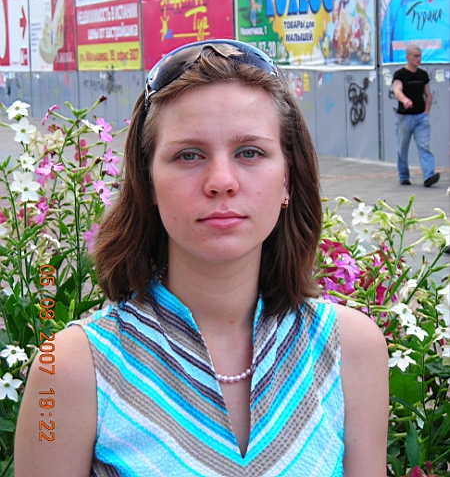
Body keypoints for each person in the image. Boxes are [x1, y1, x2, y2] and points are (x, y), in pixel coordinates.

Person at [15, 40, 388, 476]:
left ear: (287, 178)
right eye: (188, 155)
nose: (221, 181)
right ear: (148, 183)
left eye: (250, 152)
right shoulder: (67, 371)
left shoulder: (350, 349)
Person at [392, 43, 440, 187]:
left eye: (419, 56)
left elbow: (428, 94)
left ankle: (428, 176)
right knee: (402, 148)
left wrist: (426, 111)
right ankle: (403, 176)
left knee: (424, 146)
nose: (418, 59)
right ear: (407, 57)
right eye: (415, 56)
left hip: (421, 117)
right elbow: (397, 90)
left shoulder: (423, 75)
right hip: (404, 118)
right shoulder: (400, 74)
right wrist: (405, 100)